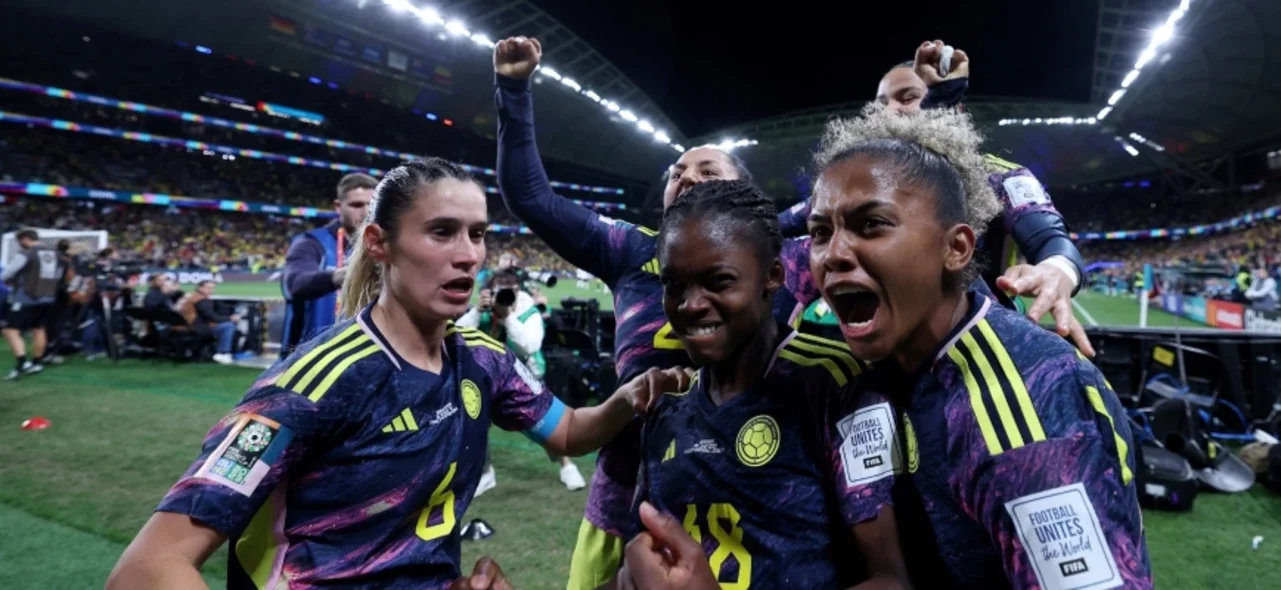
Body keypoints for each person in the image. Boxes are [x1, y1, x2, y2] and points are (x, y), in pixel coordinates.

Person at [107, 158, 665, 589]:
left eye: (477, 234)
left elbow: (568, 432)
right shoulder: (313, 385)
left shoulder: (481, 358)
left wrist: (629, 396)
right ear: (379, 243)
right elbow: (148, 567)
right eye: (442, 232)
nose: (469, 255)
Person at [494, 37, 820, 588]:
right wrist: (513, 88)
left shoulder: (787, 256)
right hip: (623, 497)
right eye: (676, 171)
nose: (686, 176)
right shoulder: (629, 248)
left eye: (707, 170)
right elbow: (531, 197)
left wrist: (925, 107)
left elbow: (864, 199)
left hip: (754, 496)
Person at [804, 105, 1151, 587]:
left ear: (957, 248)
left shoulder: (1025, 403)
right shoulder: (882, 367)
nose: (833, 254)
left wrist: (1059, 265)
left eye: (872, 225)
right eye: (820, 232)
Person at [606, 180, 907, 589]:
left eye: (719, 281)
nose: (691, 305)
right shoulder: (666, 406)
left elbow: (891, 580)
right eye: (674, 285)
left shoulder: (840, 386)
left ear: (773, 276)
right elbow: (640, 570)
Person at [777, 40, 1092, 356]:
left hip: (978, 350)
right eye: (881, 103)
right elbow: (774, 228)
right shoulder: (851, 189)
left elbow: (1049, 238)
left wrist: (1058, 270)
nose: (891, 111)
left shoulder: (996, 176)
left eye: (908, 97)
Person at [459, 268, 588, 492]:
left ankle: (566, 466)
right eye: (499, 292)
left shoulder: (529, 311)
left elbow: (529, 346)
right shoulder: (484, 311)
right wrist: (476, 312)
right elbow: (457, 337)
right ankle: (486, 473)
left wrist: (508, 317)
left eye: (510, 291)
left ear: (518, 290)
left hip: (524, 378)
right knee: (476, 425)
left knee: (542, 425)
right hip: (487, 377)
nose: (505, 296)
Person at [280, 172, 375, 355]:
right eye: (356, 205)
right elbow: (295, 284)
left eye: (371, 205)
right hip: (308, 357)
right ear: (338, 207)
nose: (366, 212)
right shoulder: (311, 243)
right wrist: (348, 274)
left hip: (361, 355)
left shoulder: (383, 246)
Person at [2, 229, 66, 381]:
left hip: (26, 296)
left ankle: (22, 363)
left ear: (25, 239)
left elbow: (8, 273)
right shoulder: (56, 254)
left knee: (10, 330)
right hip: (48, 296)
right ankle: (37, 363)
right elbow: (59, 275)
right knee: (39, 328)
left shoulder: (26, 254)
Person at [177, 280, 242, 365]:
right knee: (228, 326)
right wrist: (230, 318)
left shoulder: (189, 295)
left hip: (183, 325)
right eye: (208, 288)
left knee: (223, 324)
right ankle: (223, 352)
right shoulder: (200, 300)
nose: (211, 291)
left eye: (212, 288)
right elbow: (213, 317)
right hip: (195, 328)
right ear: (200, 288)